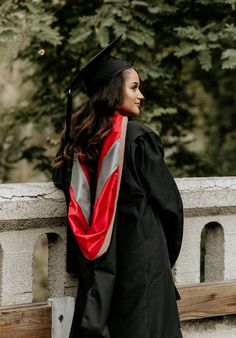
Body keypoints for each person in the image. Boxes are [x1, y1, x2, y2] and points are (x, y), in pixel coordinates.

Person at [53, 36, 183, 338]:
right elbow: (170, 207)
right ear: (113, 91)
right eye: (134, 87)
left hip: (98, 270)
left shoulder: (79, 143)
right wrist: (162, 258)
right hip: (142, 267)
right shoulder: (139, 139)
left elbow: (64, 187)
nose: (141, 95)